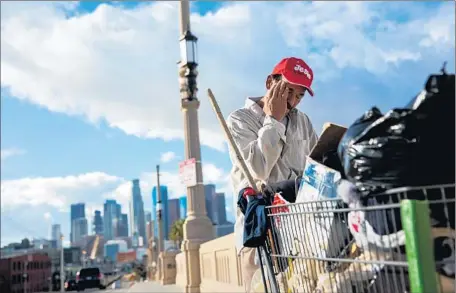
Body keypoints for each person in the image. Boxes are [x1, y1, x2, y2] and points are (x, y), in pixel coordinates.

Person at [226, 57, 319, 293]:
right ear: (270, 82)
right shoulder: (240, 120)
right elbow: (258, 169)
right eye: (288, 90)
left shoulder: (302, 121)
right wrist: (273, 121)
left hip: (298, 228)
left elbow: (316, 163)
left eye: (299, 96)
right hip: (260, 229)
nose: (292, 101)